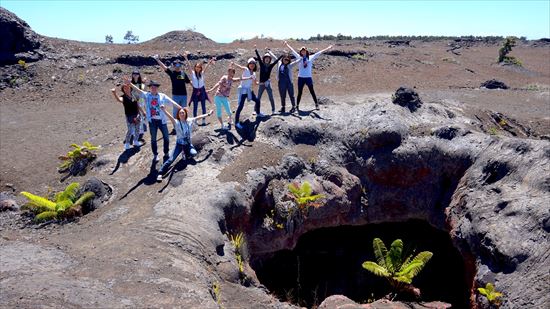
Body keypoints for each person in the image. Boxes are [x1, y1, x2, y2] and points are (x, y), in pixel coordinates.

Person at [127, 79, 181, 163]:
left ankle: (166, 153)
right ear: (150, 88)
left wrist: (181, 108)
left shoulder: (162, 96)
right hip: (152, 121)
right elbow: (138, 90)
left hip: (162, 121)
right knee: (153, 139)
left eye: (155, 87)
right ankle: (155, 155)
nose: (153, 88)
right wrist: (130, 84)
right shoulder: (147, 95)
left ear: (157, 88)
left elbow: (172, 102)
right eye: (152, 87)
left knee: (166, 138)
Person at [156, 105, 212, 182]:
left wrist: (209, 114)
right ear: (178, 115)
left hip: (188, 144)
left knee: (194, 153)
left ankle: (186, 154)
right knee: (171, 159)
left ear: (185, 113)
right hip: (179, 145)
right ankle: (160, 173)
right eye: (180, 113)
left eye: (183, 113)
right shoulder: (176, 122)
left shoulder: (189, 120)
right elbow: (170, 117)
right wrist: (164, 110)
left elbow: (198, 117)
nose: (182, 114)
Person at [284, 41, 332, 110]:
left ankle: (316, 104)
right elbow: (292, 50)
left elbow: (319, 52)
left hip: (308, 78)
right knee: (300, 92)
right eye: (302, 51)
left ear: (306, 51)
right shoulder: (298, 57)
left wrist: (328, 48)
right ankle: (297, 105)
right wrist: (286, 44)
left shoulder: (311, 57)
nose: (303, 52)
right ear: (300, 52)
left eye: (304, 51)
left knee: (312, 91)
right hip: (300, 77)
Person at [207, 64, 253, 130]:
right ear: (228, 72)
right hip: (218, 96)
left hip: (224, 97)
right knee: (219, 112)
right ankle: (222, 125)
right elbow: (218, 84)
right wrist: (211, 90)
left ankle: (229, 120)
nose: (231, 74)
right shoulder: (224, 78)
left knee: (229, 112)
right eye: (230, 72)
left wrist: (249, 78)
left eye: (232, 73)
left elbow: (241, 79)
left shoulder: (232, 80)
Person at [152, 55, 191, 121]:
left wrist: (197, 88)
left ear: (180, 65)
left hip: (184, 95)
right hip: (175, 95)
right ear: (174, 66)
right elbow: (164, 67)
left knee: (184, 110)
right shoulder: (172, 73)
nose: (177, 66)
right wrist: (157, 60)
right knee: (176, 111)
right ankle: (176, 126)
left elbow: (188, 81)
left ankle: (184, 124)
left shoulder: (183, 74)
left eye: (179, 65)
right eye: (176, 65)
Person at [182, 51, 215, 126]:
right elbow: (189, 66)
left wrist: (210, 62)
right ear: (195, 68)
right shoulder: (192, 73)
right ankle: (195, 120)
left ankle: (203, 120)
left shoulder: (202, 73)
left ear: (200, 68)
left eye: (199, 67)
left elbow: (206, 67)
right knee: (195, 106)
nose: (198, 68)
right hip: (195, 91)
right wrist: (186, 58)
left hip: (202, 90)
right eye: (196, 67)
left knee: (203, 105)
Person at [111, 84, 145, 150]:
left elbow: (138, 104)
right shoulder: (123, 97)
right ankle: (127, 143)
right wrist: (114, 93)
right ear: (123, 90)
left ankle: (135, 141)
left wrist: (143, 112)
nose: (127, 89)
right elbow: (119, 99)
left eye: (128, 87)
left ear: (130, 88)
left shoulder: (134, 95)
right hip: (129, 116)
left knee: (137, 129)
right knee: (130, 130)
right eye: (125, 88)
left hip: (137, 115)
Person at [232, 58, 260, 129]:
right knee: (240, 106)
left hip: (249, 91)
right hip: (243, 91)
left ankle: (258, 113)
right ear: (248, 64)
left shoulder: (254, 73)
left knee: (257, 100)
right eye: (251, 63)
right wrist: (234, 64)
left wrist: (262, 83)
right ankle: (237, 122)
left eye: (253, 64)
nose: (252, 65)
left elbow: (255, 83)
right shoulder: (246, 69)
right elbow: (240, 67)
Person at [254, 45, 283, 115]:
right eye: (266, 58)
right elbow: (258, 57)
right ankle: (255, 110)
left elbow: (276, 61)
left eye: (268, 58)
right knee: (258, 98)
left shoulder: (270, 65)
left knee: (271, 97)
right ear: (264, 59)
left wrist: (282, 55)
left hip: (267, 83)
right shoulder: (261, 64)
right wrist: (255, 50)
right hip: (261, 84)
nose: (267, 59)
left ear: (270, 59)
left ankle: (273, 111)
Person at [130, 69, 147, 141]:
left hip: (141, 101)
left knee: (141, 116)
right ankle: (134, 132)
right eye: (134, 74)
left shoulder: (141, 84)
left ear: (139, 75)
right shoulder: (130, 83)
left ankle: (140, 132)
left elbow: (142, 92)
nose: (135, 75)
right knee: (135, 116)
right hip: (133, 101)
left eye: (137, 74)